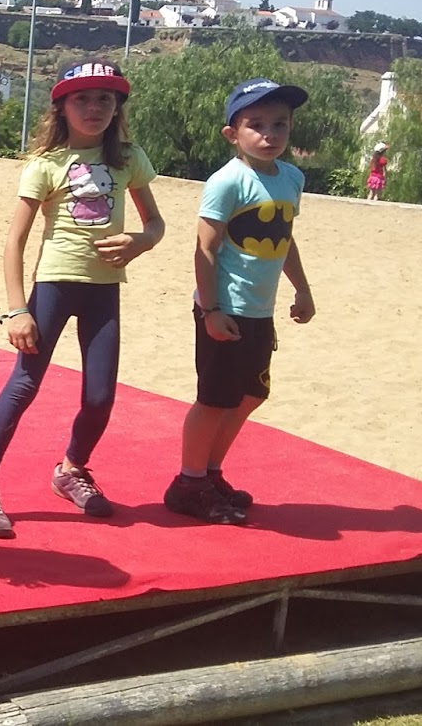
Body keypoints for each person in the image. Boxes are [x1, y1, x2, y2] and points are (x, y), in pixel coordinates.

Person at [0, 61, 165, 539]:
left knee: (100, 396)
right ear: (62, 107)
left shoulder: (129, 159)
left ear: (117, 108)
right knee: (24, 385)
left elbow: (155, 223)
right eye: (82, 99)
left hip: (104, 290)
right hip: (54, 283)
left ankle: (72, 469)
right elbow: (14, 241)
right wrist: (17, 309)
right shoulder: (46, 164)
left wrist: (140, 241)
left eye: (105, 99)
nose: (94, 108)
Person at [165, 78, 315, 525]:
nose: (269, 134)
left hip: (260, 309)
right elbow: (206, 249)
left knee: (250, 395)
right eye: (256, 125)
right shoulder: (227, 182)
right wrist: (211, 311)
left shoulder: (291, 178)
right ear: (232, 133)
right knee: (214, 399)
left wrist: (302, 288)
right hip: (225, 308)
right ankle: (188, 483)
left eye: (280, 124)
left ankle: (210, 472)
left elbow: (283, 237)